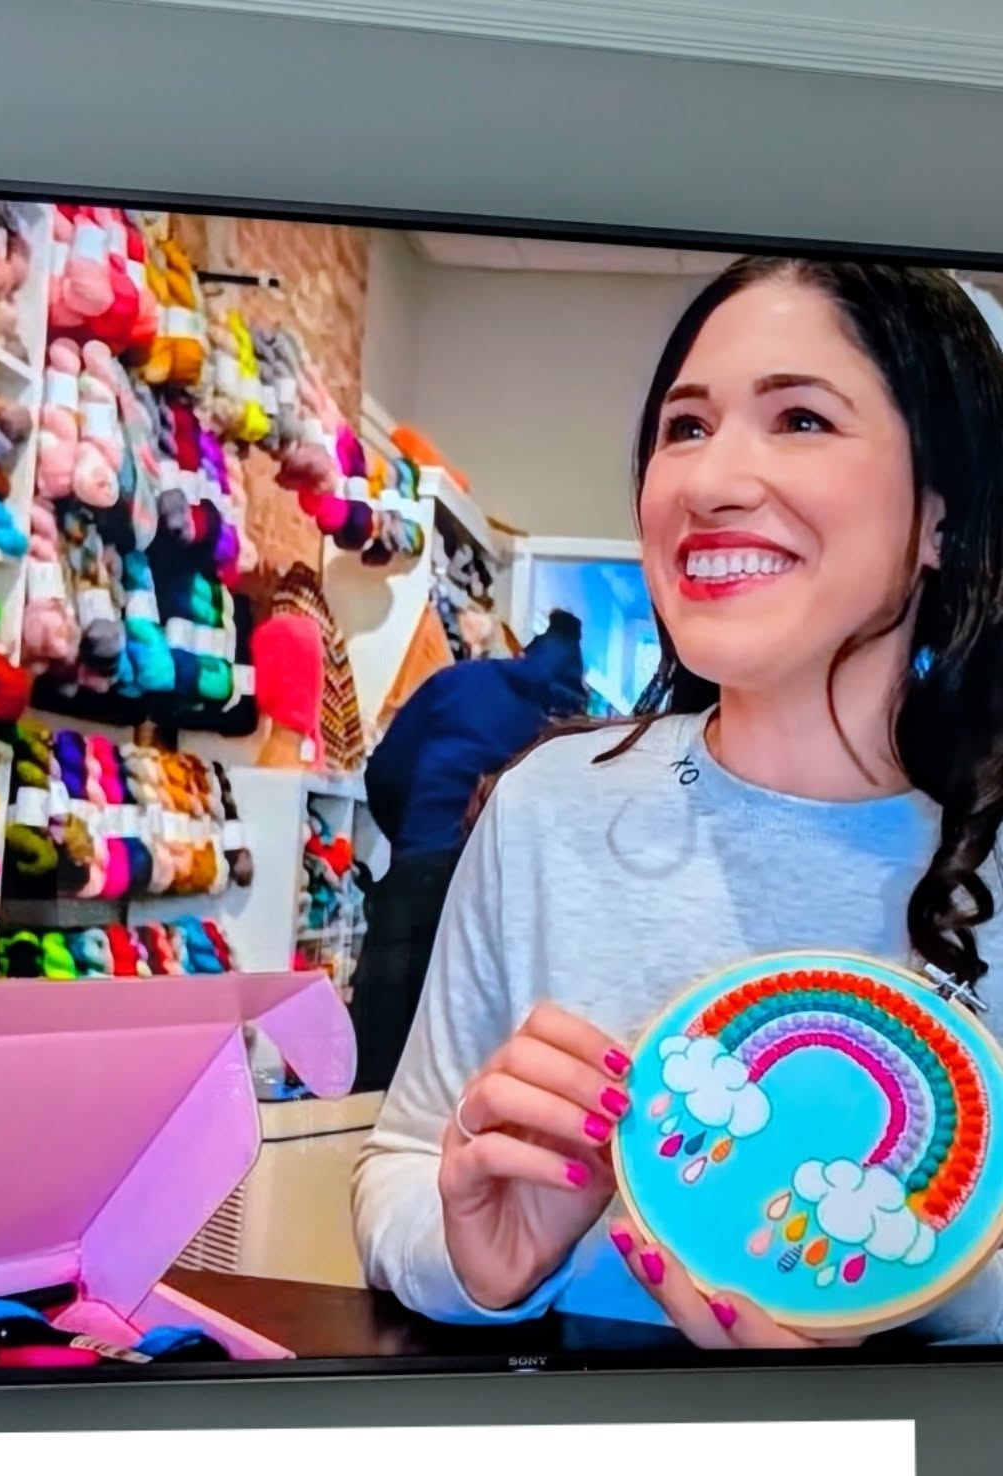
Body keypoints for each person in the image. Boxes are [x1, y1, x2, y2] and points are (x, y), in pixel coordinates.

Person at [351, 258, 1003, 1351]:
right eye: (685, 428)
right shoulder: (551, 807)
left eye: (801, 419)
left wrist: (904, 1308)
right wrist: (481, 1260)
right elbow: (404, 1163)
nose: (709, 482)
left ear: (943, 512)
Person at [348, 612, 587, 1092]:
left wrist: (414, 839)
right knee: (476, 1064)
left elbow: (386, 772)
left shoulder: (460, 683)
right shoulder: (578, 731)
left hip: (421, 873)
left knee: (381, 1045)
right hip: (512, 895)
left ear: (526, 650)